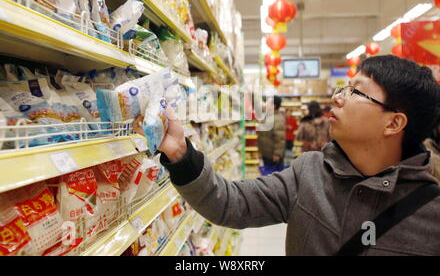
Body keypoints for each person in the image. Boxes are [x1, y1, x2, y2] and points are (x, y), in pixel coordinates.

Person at [133, 55, 440, 255]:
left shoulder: (431, 214)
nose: (337, 97)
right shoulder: (310, 173)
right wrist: (180, 152)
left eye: (355, 92)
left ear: (394, 122)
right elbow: (230, 202)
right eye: (343, 88)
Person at [256, 96, 286, 171]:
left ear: (274, 106)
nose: (265, 104)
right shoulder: (268, 116)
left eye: (268, 103)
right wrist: (260, 151)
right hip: (266, 153)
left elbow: (280, 139)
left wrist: (277, 154)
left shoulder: (277, 119)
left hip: (273, 156)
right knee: (268, 177)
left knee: (275, 178)